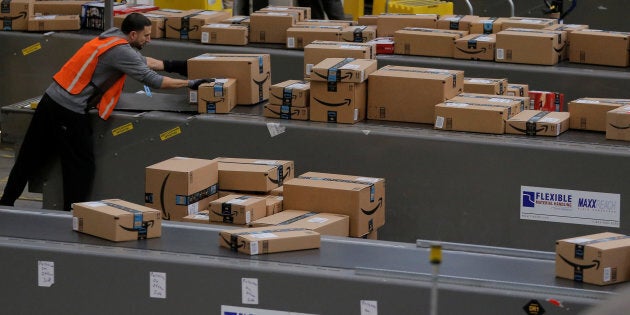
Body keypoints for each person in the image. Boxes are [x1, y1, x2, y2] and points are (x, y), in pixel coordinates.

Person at [0, 13, 209, 211]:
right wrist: (190, 83)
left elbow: (144, 62)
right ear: (133, 34)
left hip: (51, 100)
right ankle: (70, 216)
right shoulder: (121, 51)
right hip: (68, 109)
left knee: (30, 156)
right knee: (80, 167)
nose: (150, 39)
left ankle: (5, 203)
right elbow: (152, 79)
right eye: (147, 35)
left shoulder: (112, 38)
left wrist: (181, 66)